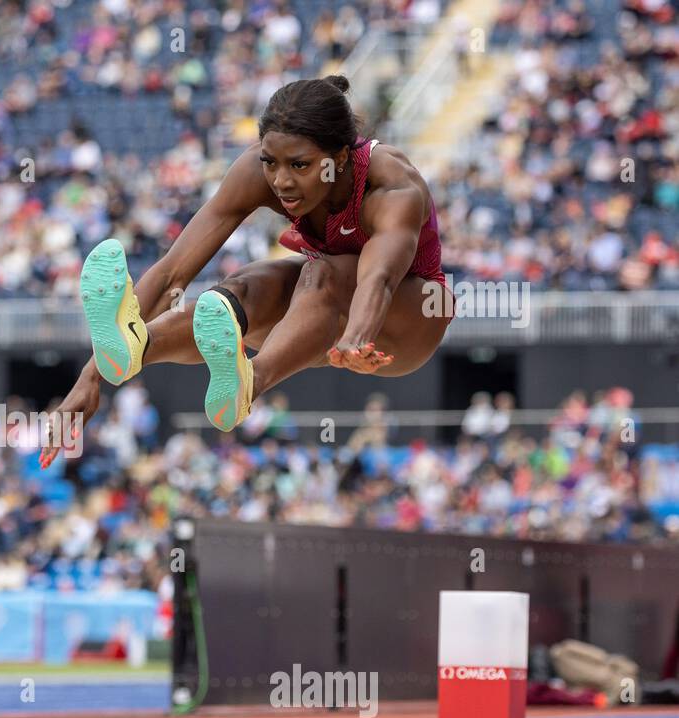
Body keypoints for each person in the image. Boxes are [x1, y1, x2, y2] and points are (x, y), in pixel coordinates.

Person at [40, 75, 453, 467]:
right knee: (230, 297)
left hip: (405, 326)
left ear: (340, 157)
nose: (281, 181)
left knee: (323, 273)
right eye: (270, 162)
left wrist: (355, 338)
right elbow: (172, 273)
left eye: (299, 166)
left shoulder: (391, 185)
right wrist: (90, 377)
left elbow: (378, 278)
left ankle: (249, 384)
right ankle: (136, 348)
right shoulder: (261, 172)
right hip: (325, 316)